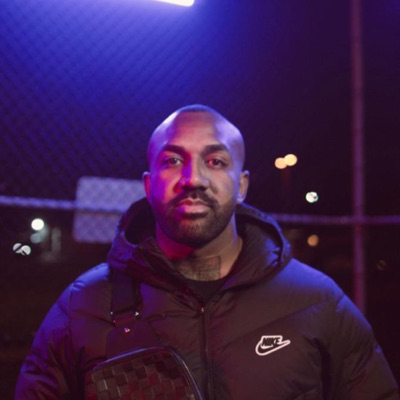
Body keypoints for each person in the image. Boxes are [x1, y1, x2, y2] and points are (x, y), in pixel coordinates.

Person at [16, 105, 399, 400]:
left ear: (242, 185)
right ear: (148, 185)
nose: (194, 179)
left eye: (215, 161)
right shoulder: (81, 307)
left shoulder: (318, 301)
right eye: (172, 160)